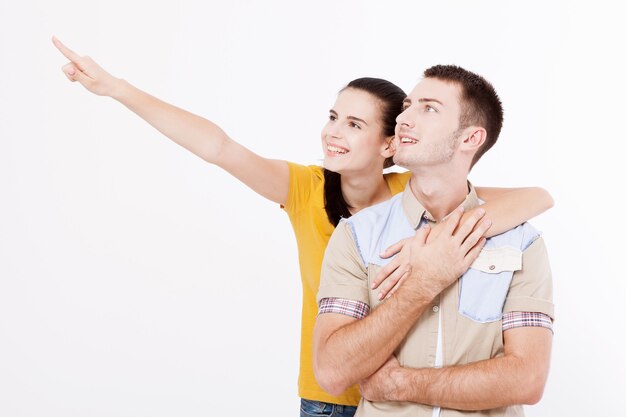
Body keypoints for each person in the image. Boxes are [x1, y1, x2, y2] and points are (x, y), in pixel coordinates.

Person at [52, 38, 554, 417]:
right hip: (332, 395)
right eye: (333, 117)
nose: (333, 133)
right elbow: (217, 146)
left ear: (389, 146)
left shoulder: (415, 188)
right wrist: (115, 89)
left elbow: (535, 199)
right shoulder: (306, 189)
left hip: (412, 393)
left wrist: (454, 242)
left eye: (355, 125)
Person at [313, 65, 554, 417]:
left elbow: (527, 379)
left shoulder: (522, 243)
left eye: (428, 108)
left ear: (470, 138)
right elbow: (333, 371)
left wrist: (400, 384)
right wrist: (424, 281)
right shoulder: (357, 235)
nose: (404, 118)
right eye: (408, 105)